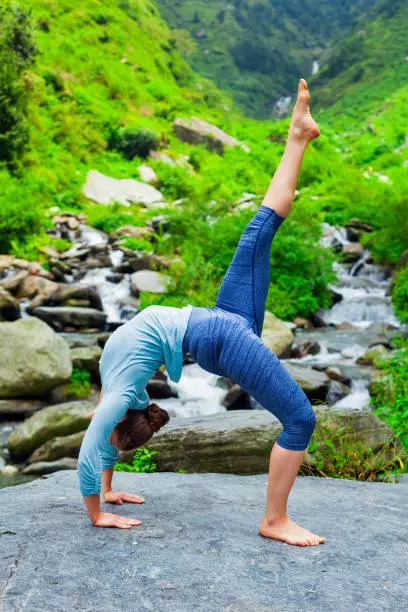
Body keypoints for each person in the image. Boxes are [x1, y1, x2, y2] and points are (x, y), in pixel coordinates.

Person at [78, 79, 325, 546]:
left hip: (219, 329)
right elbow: (104, 435)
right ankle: (274, 520)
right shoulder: (116, 389)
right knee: (301, 420)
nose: (112, 442)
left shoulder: (118, 399)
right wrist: (107, 490)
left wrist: (99, 509)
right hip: (212, 328)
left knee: (260, 230)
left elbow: (95, 443)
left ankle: (297, 136)